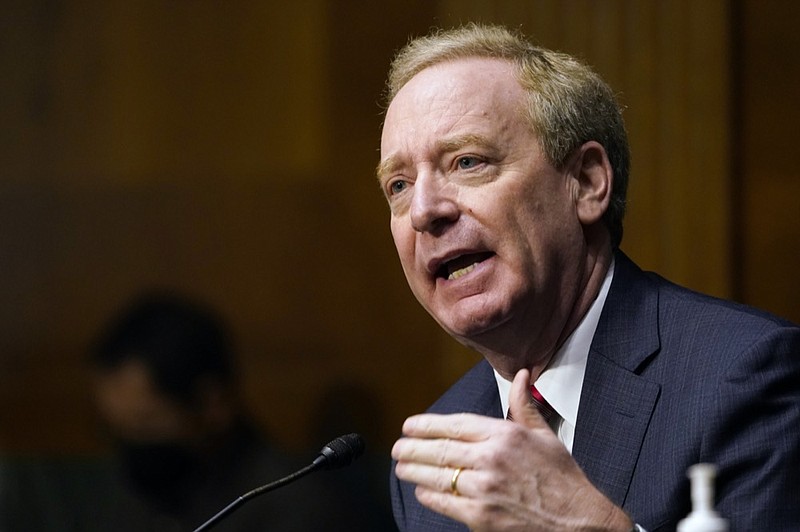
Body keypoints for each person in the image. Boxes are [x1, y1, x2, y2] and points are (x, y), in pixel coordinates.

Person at [377, 23, 800, 531]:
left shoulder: (743, 377)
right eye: (398, 185)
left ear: (587, 182)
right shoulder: (435, 463)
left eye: (467, 162)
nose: (423, 210)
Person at [85, 290, 340, 531]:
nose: (130, 444)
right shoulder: (136, 495)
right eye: (115, 428)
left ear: (213, 404)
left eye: (146, 425)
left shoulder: (290, 507)